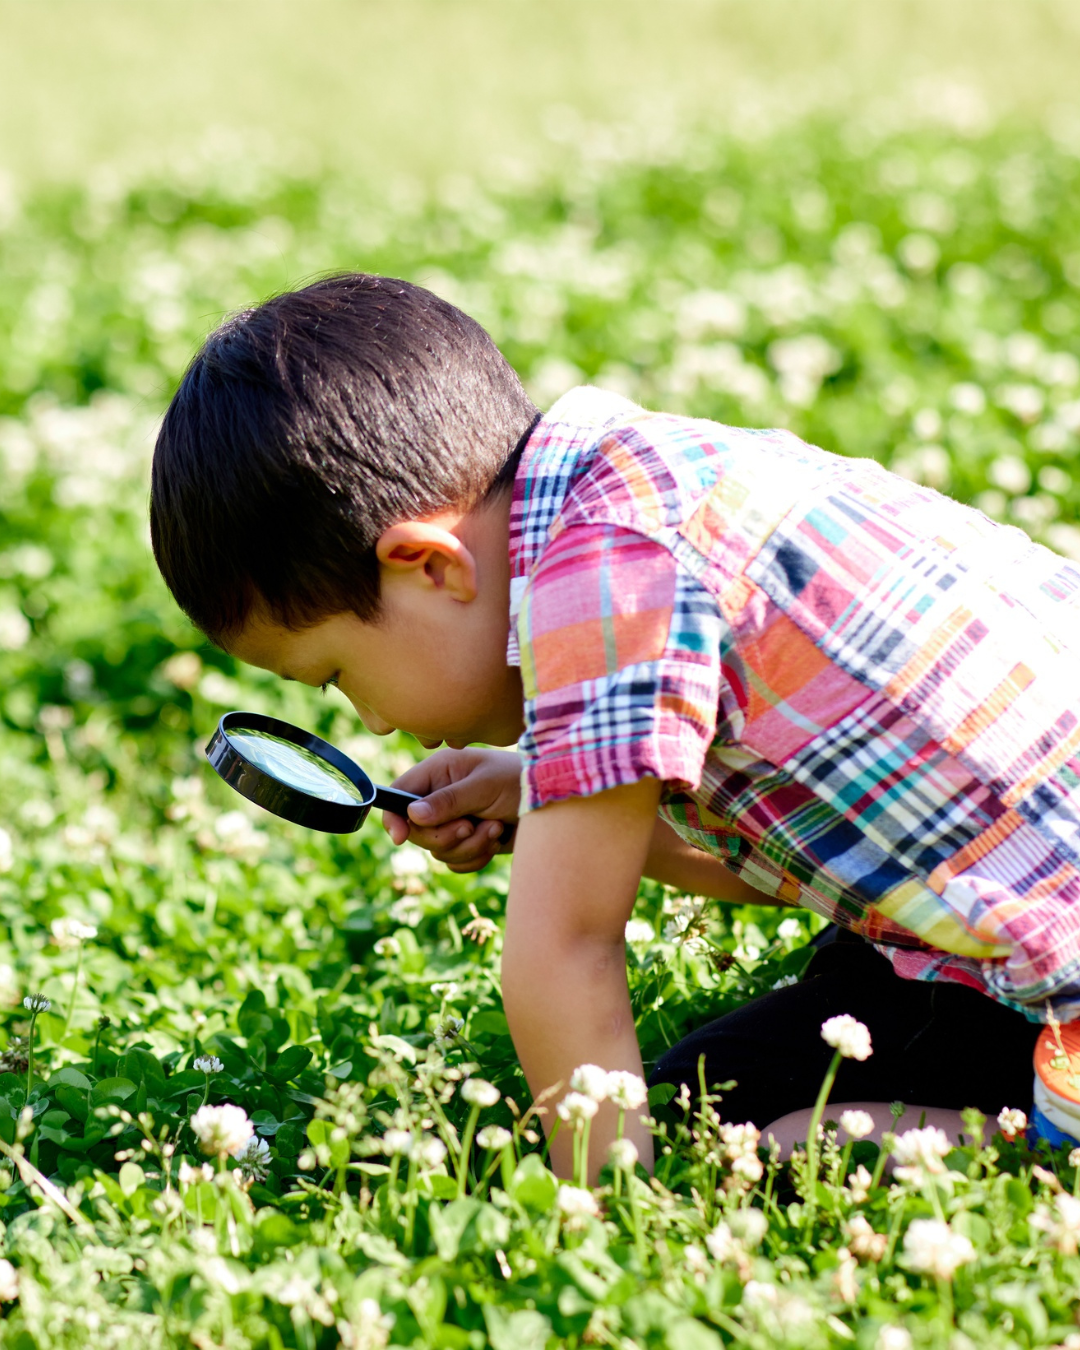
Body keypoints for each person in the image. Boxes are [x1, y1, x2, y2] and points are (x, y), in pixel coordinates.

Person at [151, 272, 1080, 1176]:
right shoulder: (633, 480)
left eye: (341, 676)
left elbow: (564, 951)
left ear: (431, 567)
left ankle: (1030, 1142)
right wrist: (542, 801)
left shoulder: (604, 579)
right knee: (716, 1088)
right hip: (1010, 899)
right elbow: (817, 860)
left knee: (755, 1145)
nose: (377, 722)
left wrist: (599, 1216)